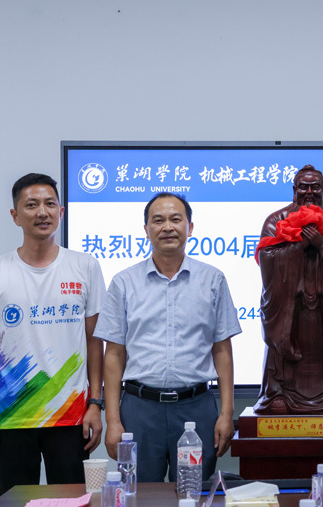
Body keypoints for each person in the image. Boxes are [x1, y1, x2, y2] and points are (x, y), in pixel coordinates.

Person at [0, 173, 105, 498]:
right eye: (31, 205)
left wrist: (95, 404)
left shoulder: (85, 266)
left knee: (73, 503)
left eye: (49, 204)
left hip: (71, 416)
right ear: (15, 215)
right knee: (14, 503)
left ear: (61, 211)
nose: (42, 212)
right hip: (11, 417)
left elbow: (94, 341)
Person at [94, 192, 241, 482]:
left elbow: (222, 350)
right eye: (158, 220)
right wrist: (112, 420)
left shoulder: (213, 280)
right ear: (146, 229)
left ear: (190, 227)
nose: (168, 227)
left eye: (176, 219)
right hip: (139, 409)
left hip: (196, 408)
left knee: (193, 493)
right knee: (138, 495)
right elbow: (114, 354)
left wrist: (226, 413)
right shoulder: (124, 283)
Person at [254, 165, 323, 415]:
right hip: (290, 312)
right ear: (294, 190)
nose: (309, 192)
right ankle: (279, 393)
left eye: (315, 187)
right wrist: (299, 246)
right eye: (304, 187)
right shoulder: (276, 221)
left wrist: (322, 245)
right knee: (282, 384)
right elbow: (267, 259)